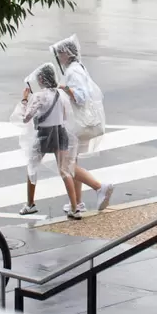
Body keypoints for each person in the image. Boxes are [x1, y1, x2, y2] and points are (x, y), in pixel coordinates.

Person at [50, 34, 115, 212]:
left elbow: (81, 96)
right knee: (72, 162)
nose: (58, 58)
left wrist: (63, 89)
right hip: (75, 123)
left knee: (66, 165)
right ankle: (77, 202)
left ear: (66, 53)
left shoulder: (73, 71)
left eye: (59, 54)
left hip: (73, 125)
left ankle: (99, 187)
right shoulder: (77, 68)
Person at [10, 63, 83, 220]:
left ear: (42, 79)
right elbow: (64, 116)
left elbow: (25, 118)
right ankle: (74, 207)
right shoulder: (60, 95)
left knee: (32, 167)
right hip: (60, 132)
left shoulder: (39, 96)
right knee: (64, 170)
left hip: (44, 134)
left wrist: (24, 100)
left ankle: (30, 204)